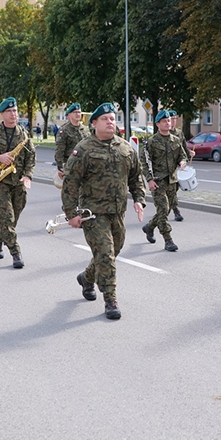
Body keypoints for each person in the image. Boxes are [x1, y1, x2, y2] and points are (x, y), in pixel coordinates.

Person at [63, 102, 146, 320]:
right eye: (105, 119)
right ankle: (110, 300)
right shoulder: (83, 149)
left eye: (113, 118)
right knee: (106, 255)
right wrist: (71, 213)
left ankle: (87, 278)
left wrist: (139, 199)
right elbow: (70, 183)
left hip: (118, 212)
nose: (111, 122)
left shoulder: (125, 147)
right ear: (94, 123)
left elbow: (136, 176)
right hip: (93, 213)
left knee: (112, 251)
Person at [0, 97, 36, 268]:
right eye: (9, 111)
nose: (13, 114)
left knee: (12, 220)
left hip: (18, 183)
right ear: (2, 114)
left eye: (15, 111)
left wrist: (28, 176)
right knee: (7, 219)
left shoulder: (24, 134)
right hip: (0, 182)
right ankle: (16, 253)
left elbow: (31, 157)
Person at [140, 110, 188, 252]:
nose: (168, 123)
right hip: (158, 181)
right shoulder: (152, 142)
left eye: (169, 120)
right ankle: (168, 240)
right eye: (164, 121)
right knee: (162, 209)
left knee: (167, 209)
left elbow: (182, 155)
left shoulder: (176, 139)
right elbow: (143, 162)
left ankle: (149, 227)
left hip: (172, 181)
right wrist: (149, 180)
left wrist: (183, 162)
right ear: (157, 124)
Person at [166, 110, 195, 222]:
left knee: (175, 189)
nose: (173, 121)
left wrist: (189, 153)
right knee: (171, 191)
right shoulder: (166, 132)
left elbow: (184, 147)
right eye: (171, 119)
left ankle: (170, 209)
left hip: (179, 166)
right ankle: (175, 211)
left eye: (175, 119)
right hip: (168, 167)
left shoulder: (179, 133)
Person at [54, 103, 89, 182]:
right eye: (75, 112)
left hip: (85, 166)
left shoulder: (85, 129)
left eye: (79, 112)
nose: (78, 114)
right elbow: (59, 150)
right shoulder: (64, 130)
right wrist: (60, 167)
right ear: (69, 115)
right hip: (70, 167)